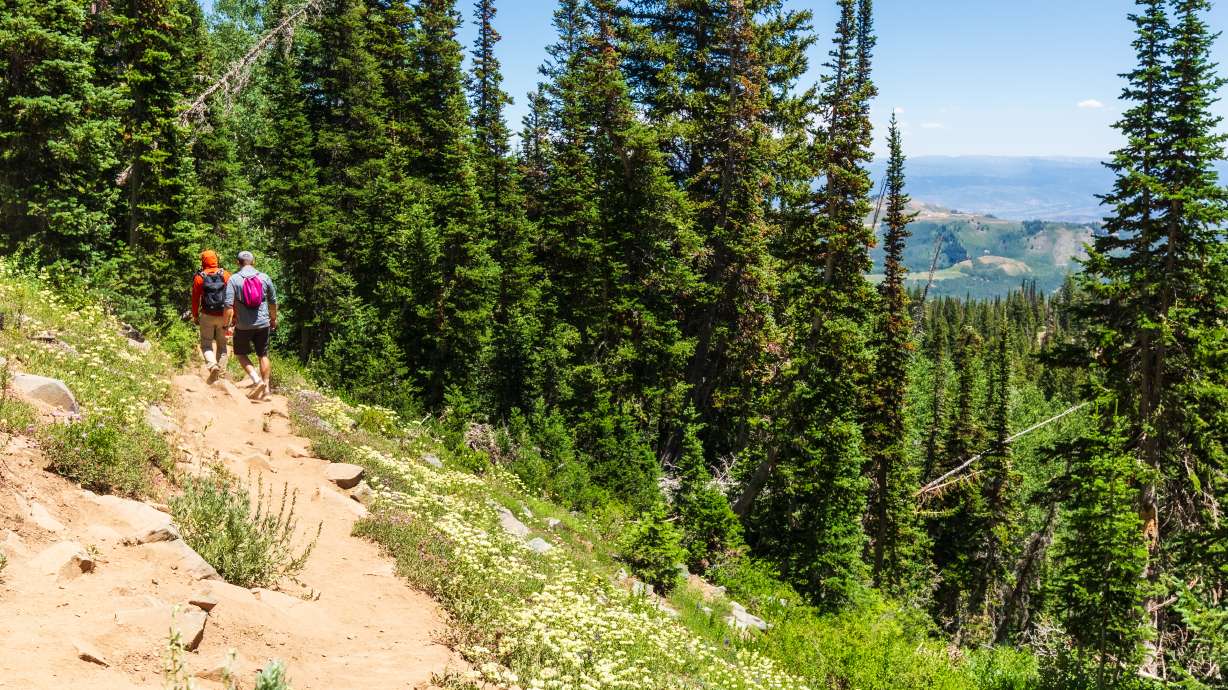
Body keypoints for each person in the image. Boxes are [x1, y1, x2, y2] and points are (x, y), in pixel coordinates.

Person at [225, 250, 278, 401]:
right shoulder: (264, 277)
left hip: (243, 325)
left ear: (238, 262)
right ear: (253, 262)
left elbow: (228, 305)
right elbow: (273, 301)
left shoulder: (234, 279)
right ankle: (266, 390)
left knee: (240, 354)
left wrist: (227, 325)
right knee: (263, 354)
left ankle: (257, 380)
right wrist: (273, 319)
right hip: (263, 324)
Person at [191, 250, 232, 384]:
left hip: (207, 315)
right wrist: (234, 316)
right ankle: (221, 376)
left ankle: (212, 365)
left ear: (203, 261)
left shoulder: (199, 277)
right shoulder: (225, 275)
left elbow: (195, 299)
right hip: (224, 315)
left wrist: (195, 315)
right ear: (216, 259)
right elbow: (232, 297)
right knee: (222, 346)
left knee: (206, 344)